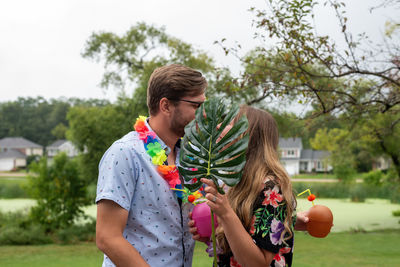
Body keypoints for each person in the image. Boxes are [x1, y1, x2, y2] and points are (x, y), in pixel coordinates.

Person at [95, 64, 207, 267]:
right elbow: (107, 237)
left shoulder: (190, 157)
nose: (203, 115)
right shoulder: (125, 153)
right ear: (166, 106)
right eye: (196, 106)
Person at [189, 106, 309, 267]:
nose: (218, 127)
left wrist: (225, 213)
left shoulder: (272, 190)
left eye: (228, 123)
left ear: (247, 136)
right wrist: (211, 236)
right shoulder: (235, 184)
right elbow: (237, 251)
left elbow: (257, 263)